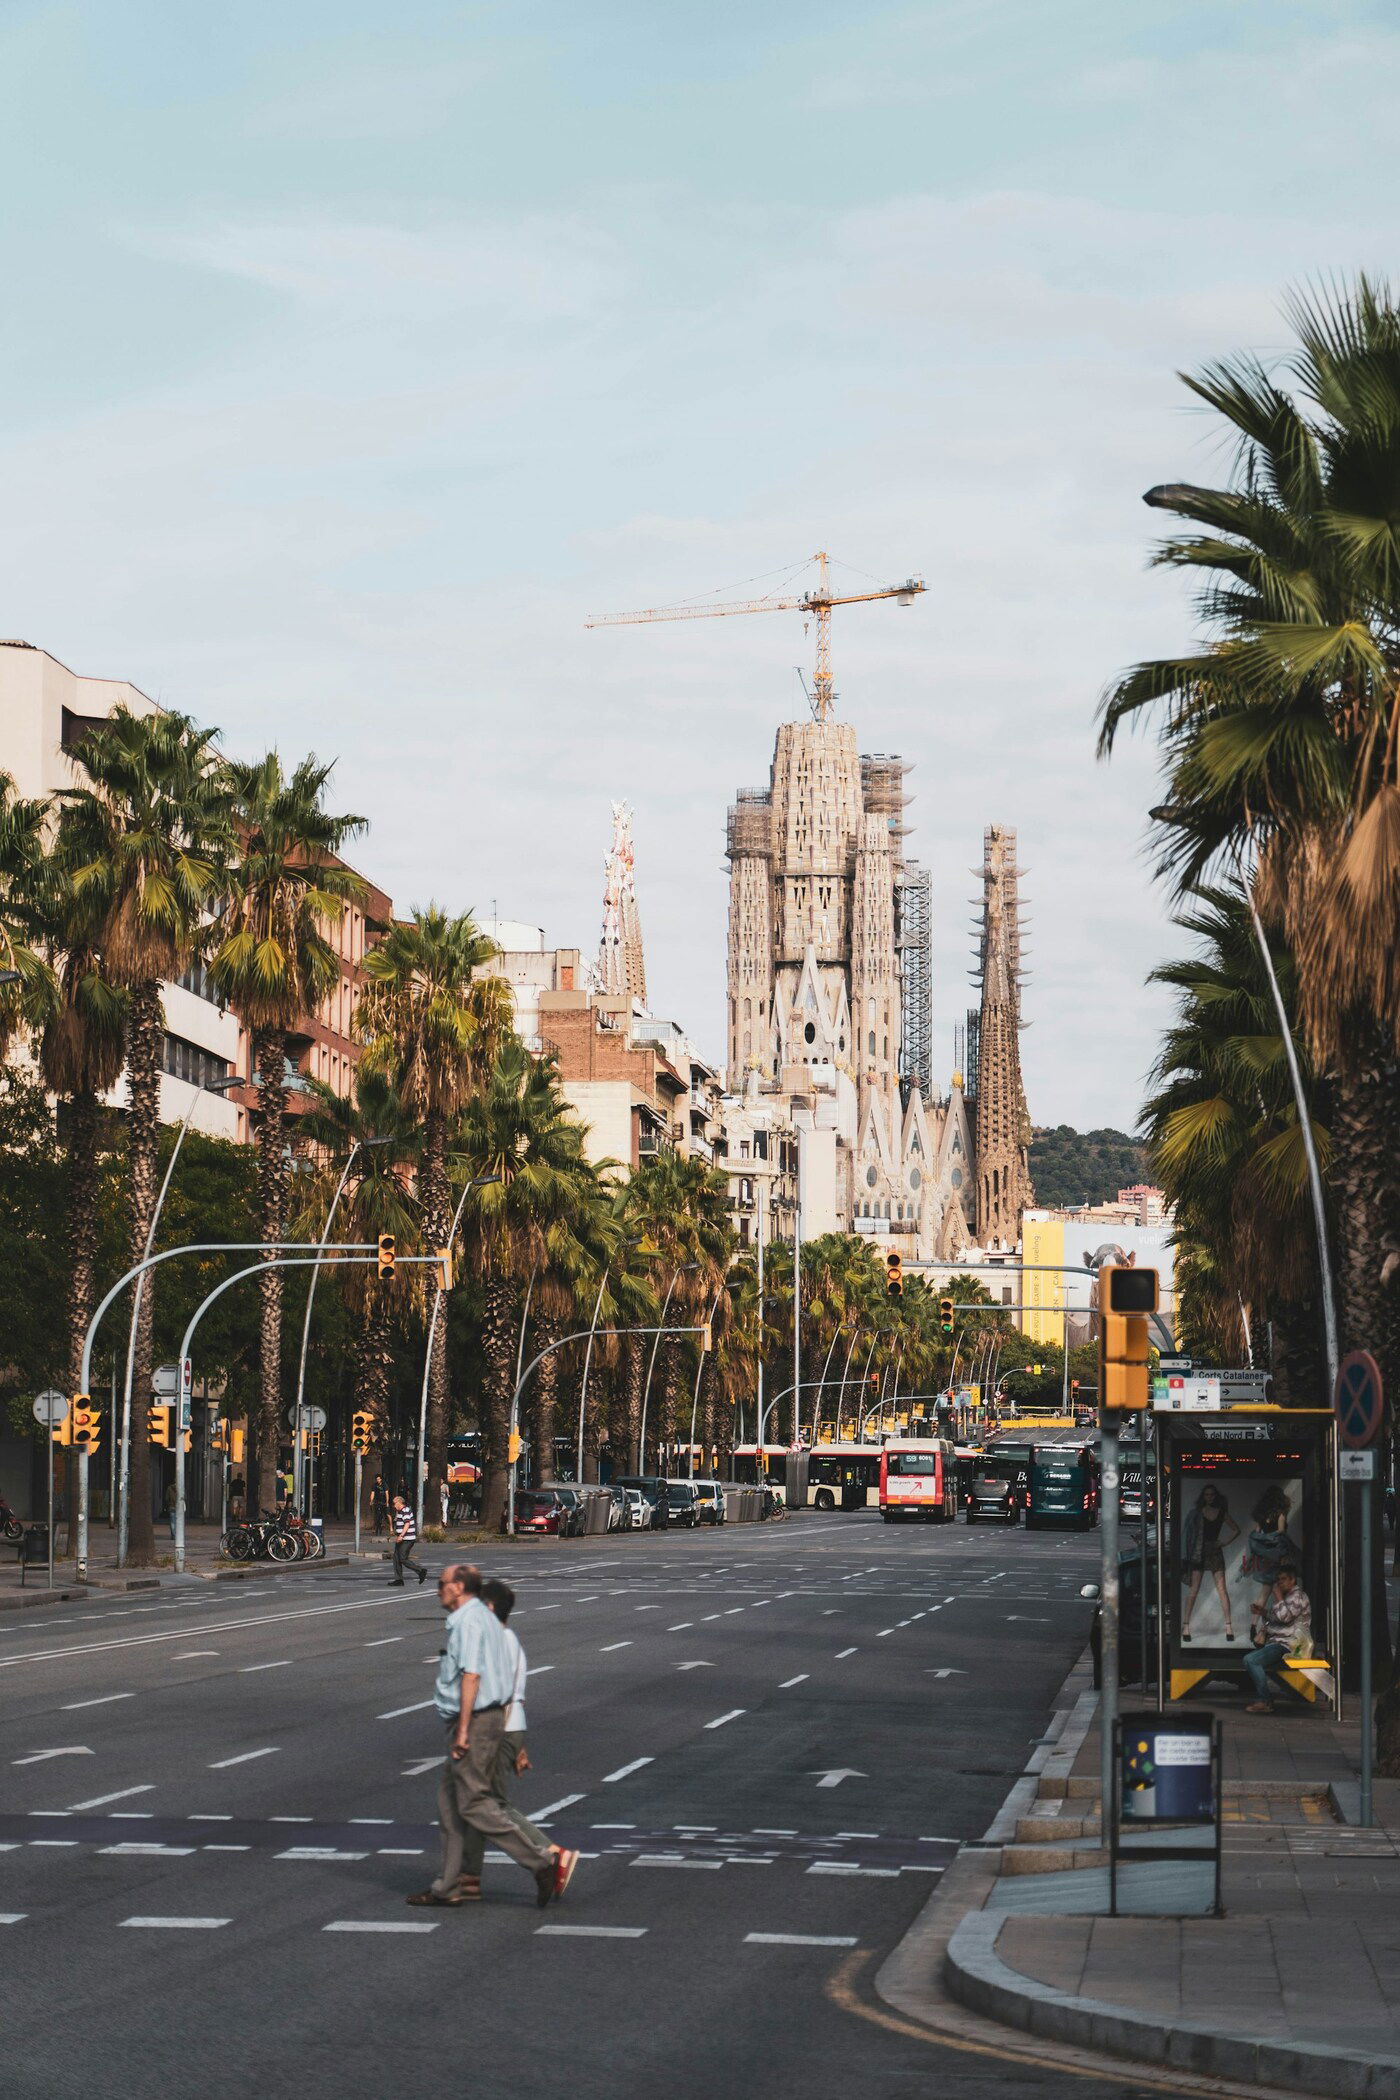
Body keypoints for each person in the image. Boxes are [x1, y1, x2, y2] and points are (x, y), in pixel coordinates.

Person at [408, 1563, 577, 1910]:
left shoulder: (470, 1621)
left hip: (476, 1720)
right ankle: (449, 1886)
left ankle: (541, 1861)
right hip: (489, 1717)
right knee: (450, 1805)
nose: (437, 1589)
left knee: (474, 1803)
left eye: (441, 1583)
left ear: (458, 1587)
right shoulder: (483, 1620)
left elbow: (471, 1675)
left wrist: (463, 1730)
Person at [452, 1577, 550, 1902]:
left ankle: (547, 1856)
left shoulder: (500, 1640)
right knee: (476, 1803)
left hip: (498, 1727)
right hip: (506, 1727)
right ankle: (468, 1878)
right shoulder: (502, 1638)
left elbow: (502, 1694)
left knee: (486, 1804)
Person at [1245, 1561, 1312, 1713]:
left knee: (1251, 1660)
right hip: (1281, 1643)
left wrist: (1278, 1597)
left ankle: (1265, 1700)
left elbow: (1285, 1617)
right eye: (1278, 1580)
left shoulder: (1298, 1597)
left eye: (1283, 1579)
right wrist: (1263, 1612)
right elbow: (1277, 1618)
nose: (1279, 1583)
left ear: (1292, 1580)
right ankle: (1264, 1699)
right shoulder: (1288, 1597)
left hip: (1289, 1645)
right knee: (1253, 1659)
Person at [1181, 1483, 1240, 1642]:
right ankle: (1186, 1626)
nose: (1209, 1497)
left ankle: (1229, 1626)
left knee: (1222, 1590)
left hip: (1214, 1551)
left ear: (1216, 1496)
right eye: (1207, 1494)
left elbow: (1236, 1529)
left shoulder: (1221, 1513)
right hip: (1198, 1552)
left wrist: (1224, 1542)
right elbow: (1188, 1534)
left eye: (1212, 1494)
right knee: (1194, 1589)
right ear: (1203, 1496)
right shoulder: (1197, 1513)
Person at [389, 1493, 427, 1587]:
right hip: (402, 1538)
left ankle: (420, 1571)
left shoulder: (405, 1511)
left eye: (394, 1503)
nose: (393, 1506)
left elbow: (407, 1524)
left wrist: (401, 1535)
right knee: (396, 1559)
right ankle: (399, 1580)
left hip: (407, 1539)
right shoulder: (400, 1511)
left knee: (402, 1558)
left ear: (399, 1503)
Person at [370, 1473, 388, 1537]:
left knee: (384, 1513)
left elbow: (386, 1493)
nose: (378, 1480)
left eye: (379, 1479)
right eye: (377, 1479)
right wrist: (371, 1501)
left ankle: (382, 1522)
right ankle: (376, 1527)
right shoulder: (374, 1485)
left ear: (381, 1479)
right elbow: (372, 1493)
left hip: (383, 1501)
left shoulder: (384, 1485)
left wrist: (387, 1502)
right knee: (376, 1514)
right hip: (377, 1501)